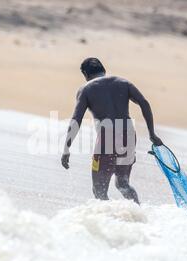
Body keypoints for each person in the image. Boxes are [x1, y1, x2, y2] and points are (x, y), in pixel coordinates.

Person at [61, 57, 163, 204]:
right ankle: (139, 217)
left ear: (85, 74)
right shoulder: (124, 83)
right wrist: (151, 133)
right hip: (128, 134)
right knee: (123, 184)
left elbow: (76, 120)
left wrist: (67, 147)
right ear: (104, 70)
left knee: (99, 190)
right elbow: (144, 103)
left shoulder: (86, 89)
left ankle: (109, 223)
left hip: (106, 138)